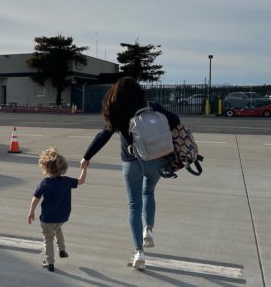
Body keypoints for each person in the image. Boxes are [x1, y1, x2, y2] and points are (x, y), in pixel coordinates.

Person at [79, 76, 179, 270]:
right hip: (155, 160)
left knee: (134, 205)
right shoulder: (152, 106)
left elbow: (104, 135)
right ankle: (148, 229)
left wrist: (87, 156)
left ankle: (139, 252)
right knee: (149, 192)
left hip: (131, 161)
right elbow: (175, 121)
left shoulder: (117, 111)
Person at [27, 147, 87, 272]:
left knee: (48, 237)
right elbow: (81, 181)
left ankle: (49, 262)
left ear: (45, 167)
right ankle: (62, 249)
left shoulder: (44, 183)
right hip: (62, 217)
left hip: (47, 218)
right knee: (57, 228)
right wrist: (84, 168)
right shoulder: (66, 181)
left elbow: (35, 198)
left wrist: (31, 211)